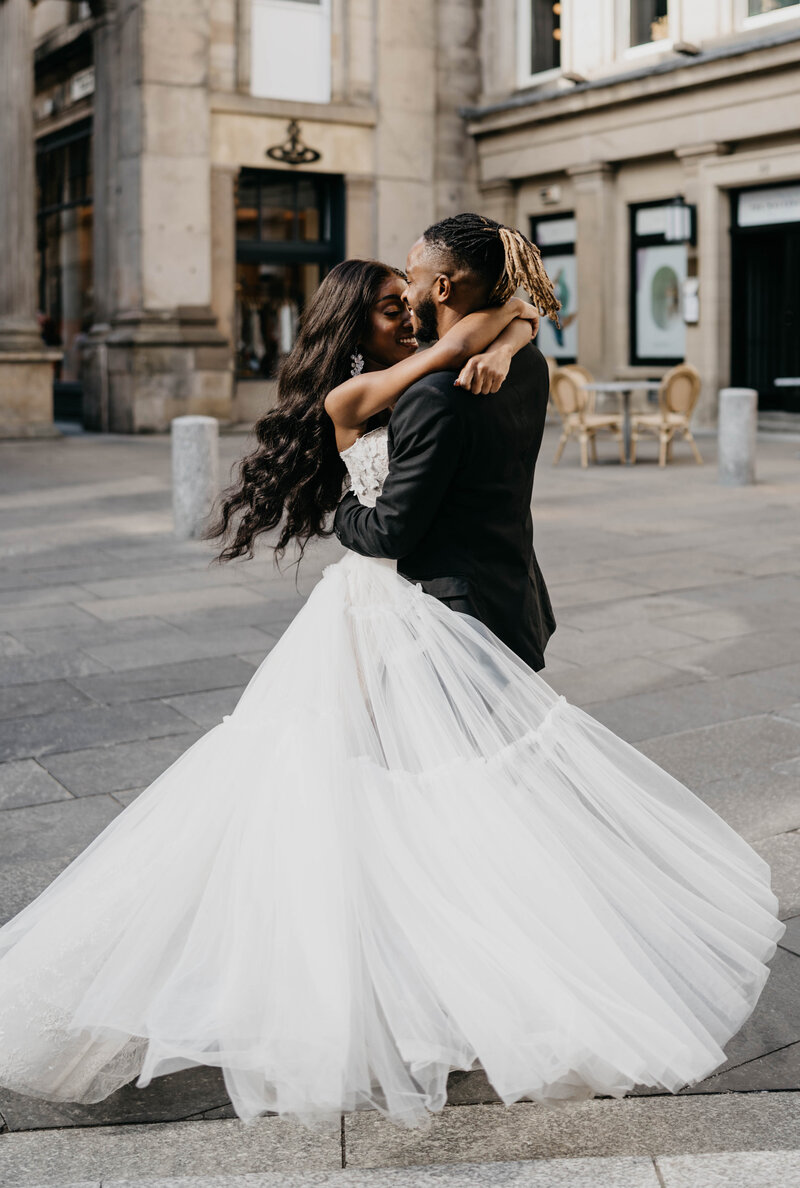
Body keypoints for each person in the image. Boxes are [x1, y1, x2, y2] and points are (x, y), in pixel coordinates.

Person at [0, 231, 783, 1135]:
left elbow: (391, 526)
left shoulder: (451, 384)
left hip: (421, 616)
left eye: (408, 289)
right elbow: (493, 328)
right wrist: (505, 334)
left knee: (402, 794)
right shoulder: (424, 378)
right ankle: (433, 965)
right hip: (445, 612)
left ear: (444, 282)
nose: (406, 304)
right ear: (356, 328)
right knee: (394, 794)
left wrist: (493, 346)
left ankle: (438, 969)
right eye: (386, 304)